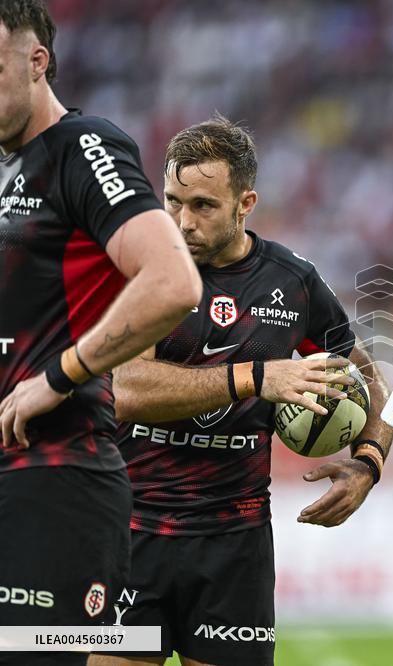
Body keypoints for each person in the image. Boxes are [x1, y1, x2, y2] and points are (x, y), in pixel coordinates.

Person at [88, 116, 393, 666]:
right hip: (130, 533)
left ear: (245, 201)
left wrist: (367, 461)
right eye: (174, 201)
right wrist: (258, 377)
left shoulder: (293, 282)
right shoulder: (146, 269)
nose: (183, 221)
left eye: (203, 205)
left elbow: (367, 380)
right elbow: (125, 387)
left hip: (235, 542)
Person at [0, 1, 202, 663]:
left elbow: (172, 281)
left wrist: (59, 376)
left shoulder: (83, 149)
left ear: (38, 62)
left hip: (52, 477)